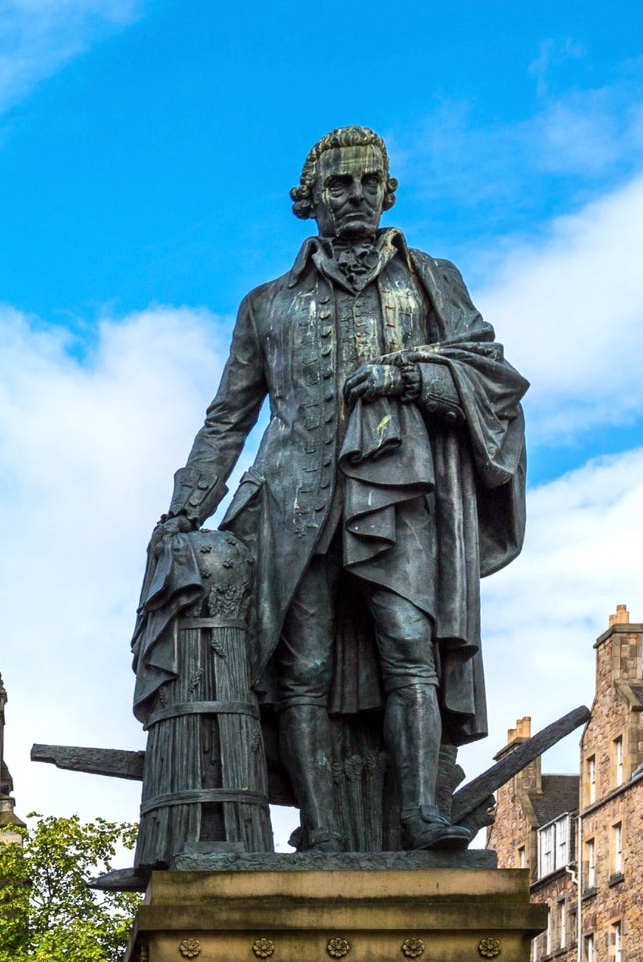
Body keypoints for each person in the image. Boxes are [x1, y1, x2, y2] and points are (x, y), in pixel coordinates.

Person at [152, 127, 527, 851]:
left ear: (387, 191)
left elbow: (491, 374)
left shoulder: (429, 279)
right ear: (309, 201)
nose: (354, 196)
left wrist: (410, 374)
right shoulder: (265, 305)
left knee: (408, 644)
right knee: (305, 667)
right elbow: (228, 417)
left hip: (397, 492)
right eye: (337, 185)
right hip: (292, 500)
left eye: (367, 182)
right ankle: (320, 829)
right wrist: (184, 507)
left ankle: (420, 811)